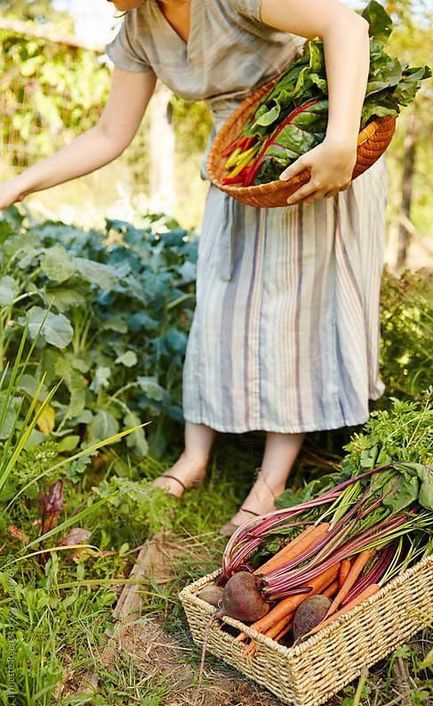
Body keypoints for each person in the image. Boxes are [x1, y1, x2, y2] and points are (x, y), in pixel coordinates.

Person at [0, 0, 387, 536]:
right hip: (236, 162)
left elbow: (347, 25)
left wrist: (340, 141)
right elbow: (110, 135)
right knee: (219, 298)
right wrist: (19, 184)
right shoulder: (139, 27)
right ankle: (194, 457)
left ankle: (269, 484)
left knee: (290, 309)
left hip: (305, 154)